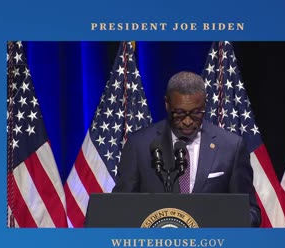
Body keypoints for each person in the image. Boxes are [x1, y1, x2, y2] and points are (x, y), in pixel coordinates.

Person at [112, 71, 261, 227]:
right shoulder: (139, 145)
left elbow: (251, 212)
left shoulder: (231, 147)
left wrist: (222, 223)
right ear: (167, 104)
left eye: (196, 113)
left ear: (205, 103)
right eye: (180, 113)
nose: (188, 121)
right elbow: (121, 207)